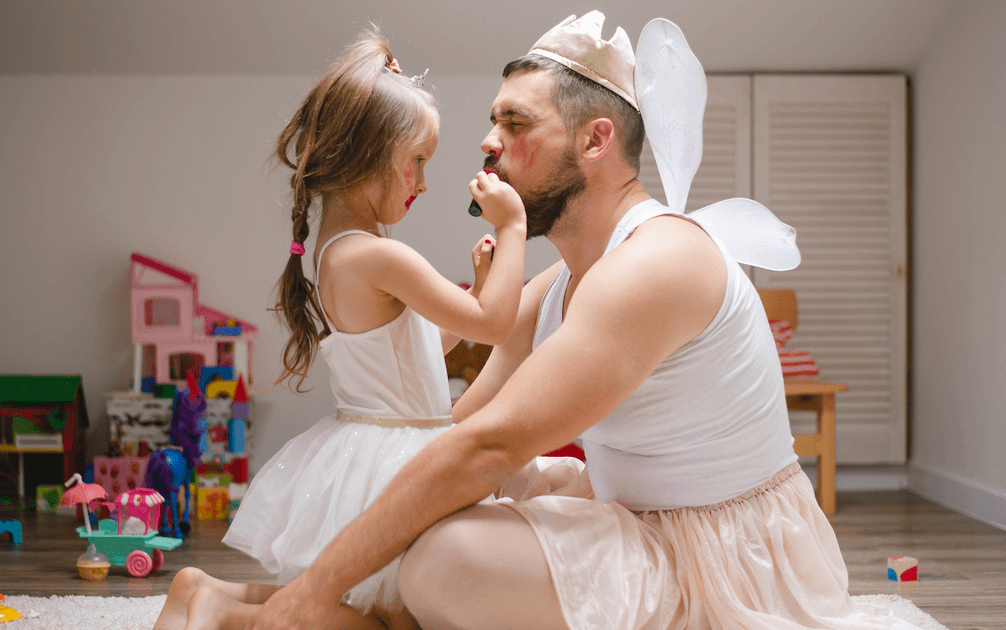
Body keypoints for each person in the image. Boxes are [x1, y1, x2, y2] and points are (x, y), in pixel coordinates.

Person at [241, 13, 927, 630]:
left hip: (730, 560)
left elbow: (489, 446)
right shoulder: (563, 284)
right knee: (439, 520)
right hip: (645, 525)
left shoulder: (657, 262)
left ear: (596, 140)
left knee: (443, 560)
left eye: (515, 124)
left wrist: (319, 585)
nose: (487, 143)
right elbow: (458, 432)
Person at [152, 27, 527, 630]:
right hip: (398, 459)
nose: (424, 184)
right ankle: (227, 615)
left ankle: (202, 589)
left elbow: (422, 350)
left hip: (365, 447)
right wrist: (511, 228)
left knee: (359, 604)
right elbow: (494, 325)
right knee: (395, 618)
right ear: (372, 157)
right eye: (418, 163)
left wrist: (480, 287)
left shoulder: (339, 250)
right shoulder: (379, 256)